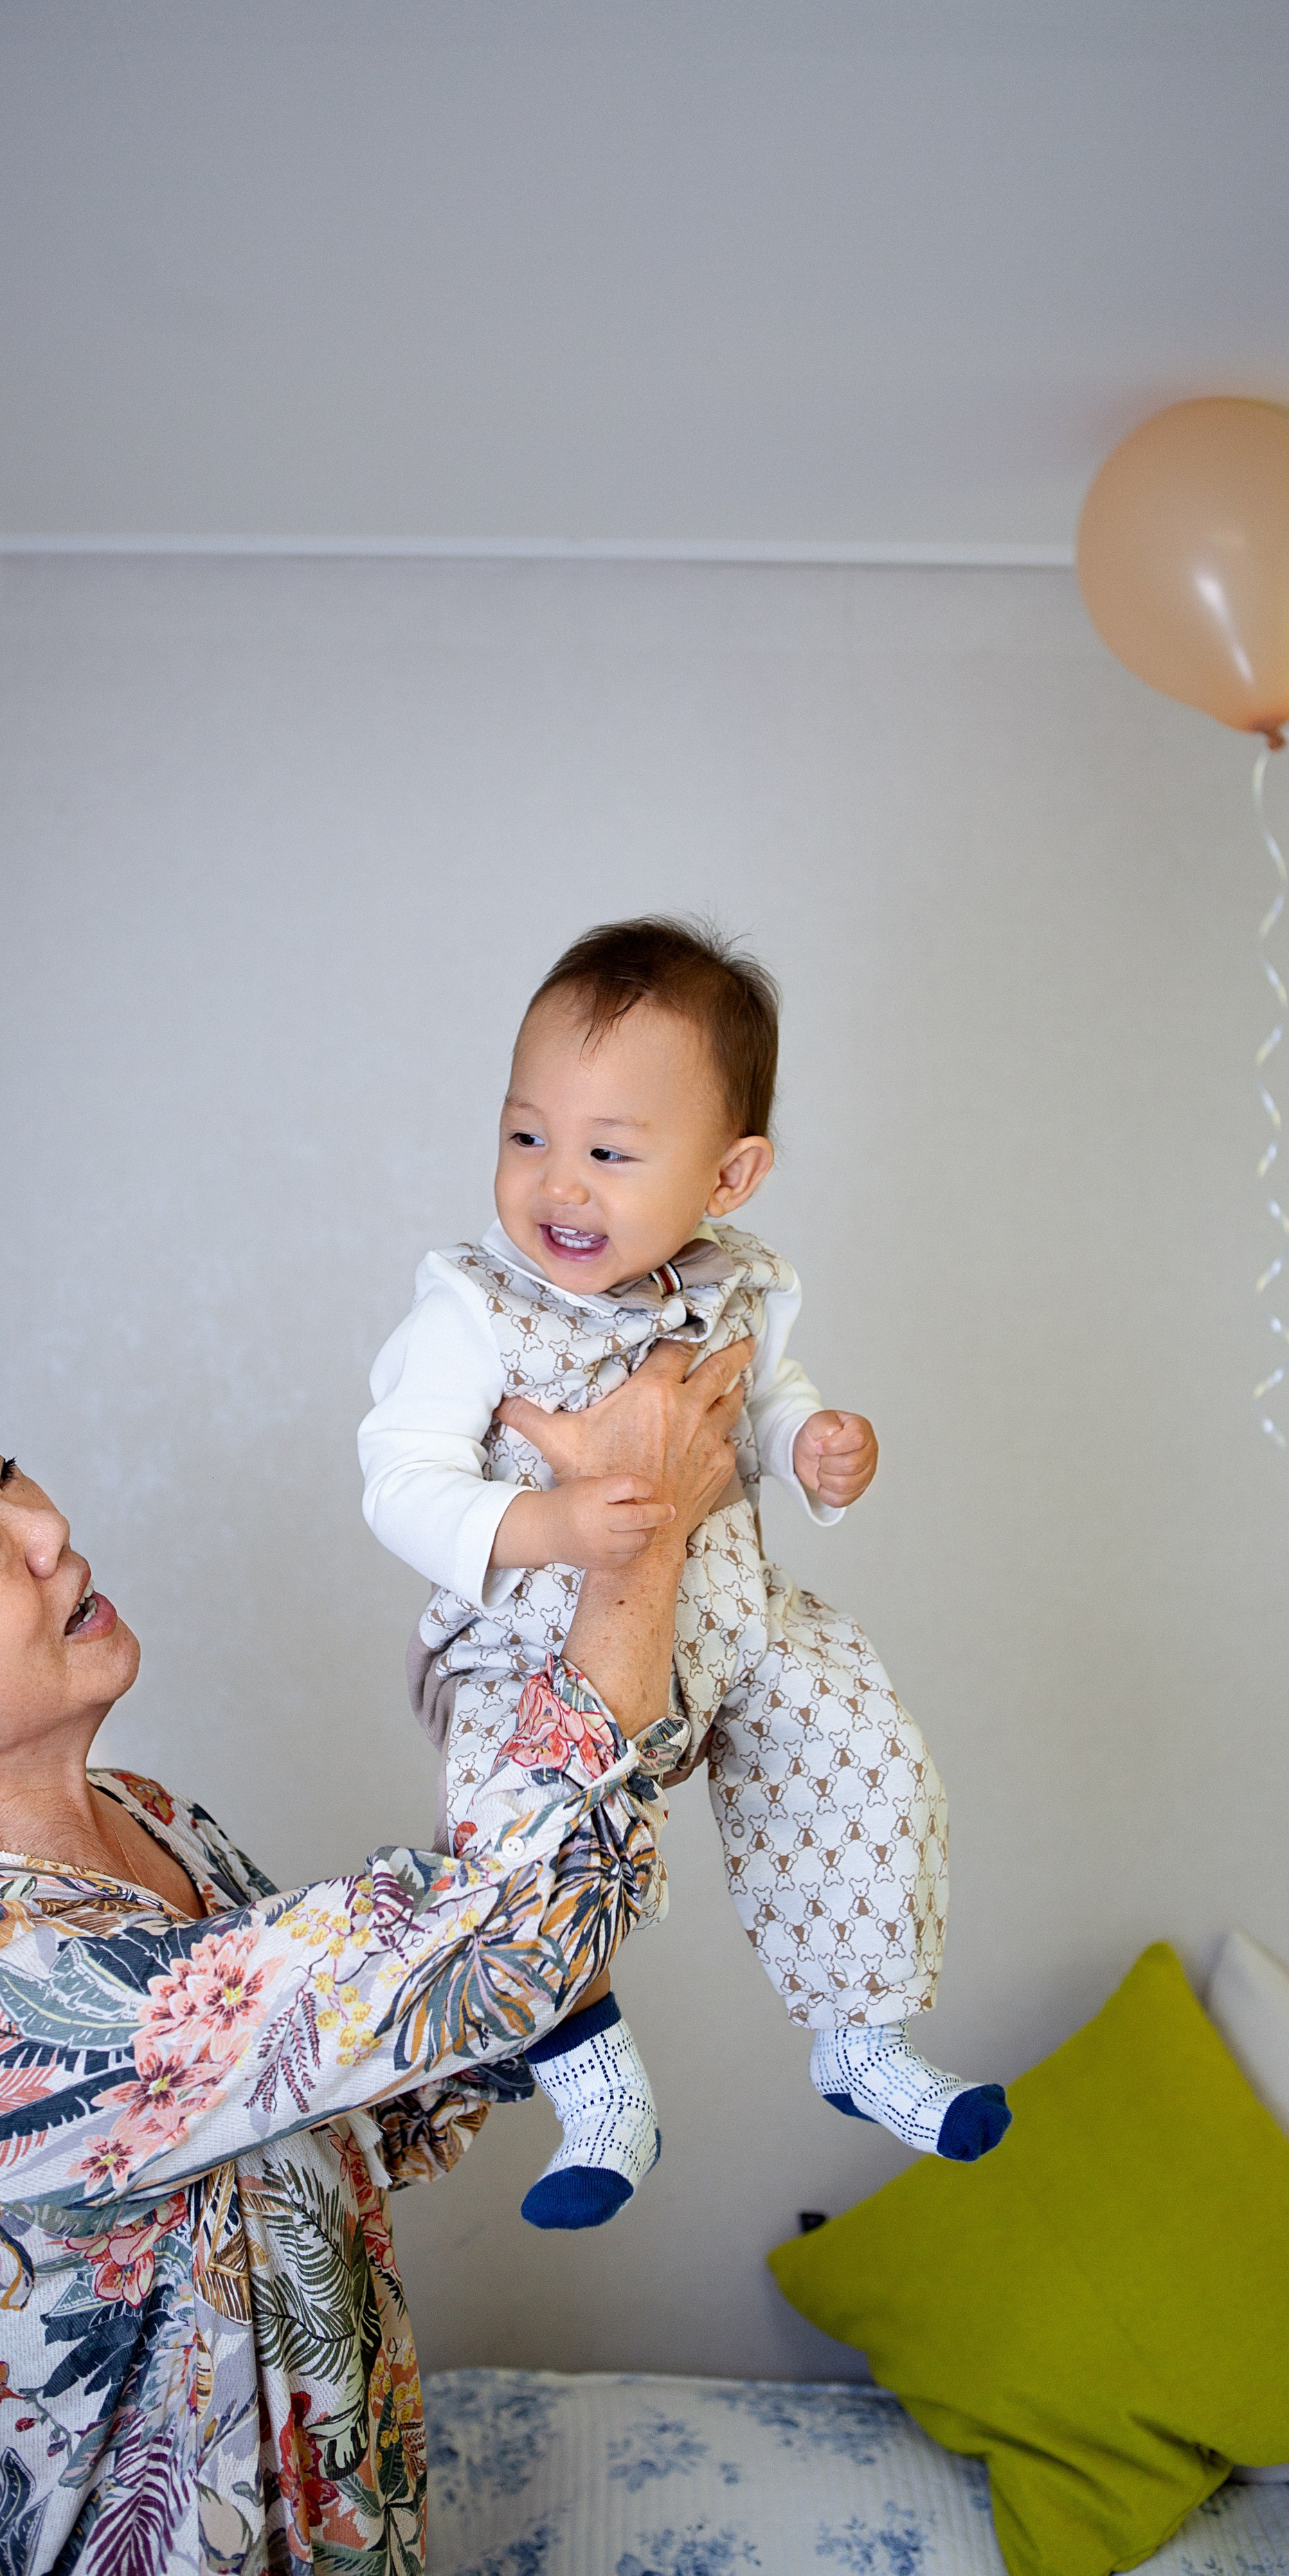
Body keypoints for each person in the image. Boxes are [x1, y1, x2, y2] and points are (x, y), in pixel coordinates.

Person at [0, 1342, 748, 2575]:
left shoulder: (144, 1817)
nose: (44, 1526)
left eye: (5, 1472)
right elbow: (506, 1938)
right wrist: (638, 1544)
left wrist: (503, 1959)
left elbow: (361, 2107)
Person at [360, 917, 1011, 2232]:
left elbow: (767, 1408)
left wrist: (814, 1448)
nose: (559, 1185)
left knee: (859, 1738)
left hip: (732, 1624)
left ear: (732, 1171)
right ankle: (595, 2080)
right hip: (537, 1646)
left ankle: (861, 2037)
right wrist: (548, 1528)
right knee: (521, 1819)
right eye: (526, 1136)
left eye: (610, 1152)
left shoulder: (747, 1288)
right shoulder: (472, 1307)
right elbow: (399, 1475)